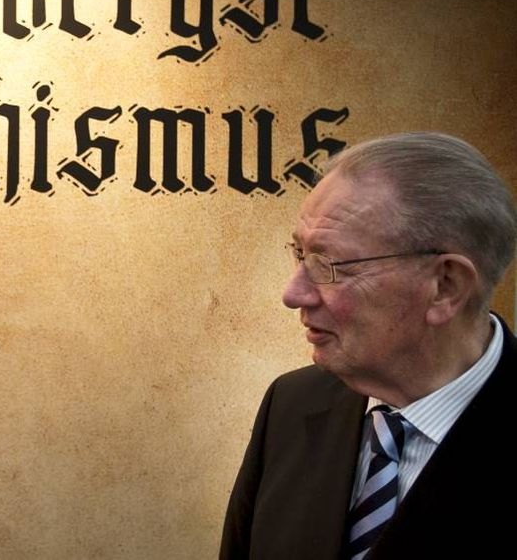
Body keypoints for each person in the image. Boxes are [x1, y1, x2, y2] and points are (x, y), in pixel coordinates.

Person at [220, 132, 517, 559]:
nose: (293, 293)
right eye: (299, 254)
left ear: (445, 286)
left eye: (329, 264)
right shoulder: (291, 405)